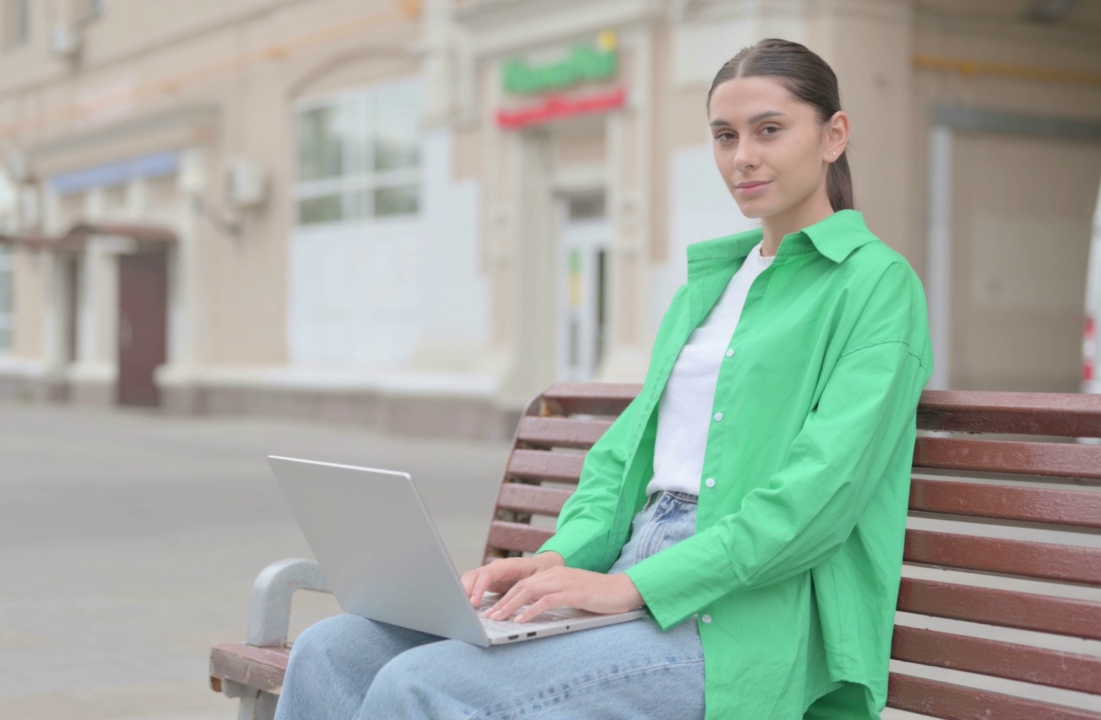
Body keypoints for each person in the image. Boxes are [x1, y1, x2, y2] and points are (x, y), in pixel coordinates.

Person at [275, 37, 934, 720]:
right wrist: (558, 559)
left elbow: (817, 499)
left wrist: (636, 588)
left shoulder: (875, 286)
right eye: (723, 136)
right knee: (334, 649)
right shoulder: (709, 289)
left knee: (422, 686)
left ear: (834, 136)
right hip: (631, 570)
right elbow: (622, 460)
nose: (743, 157)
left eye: (770, 130)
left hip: (745, 619)